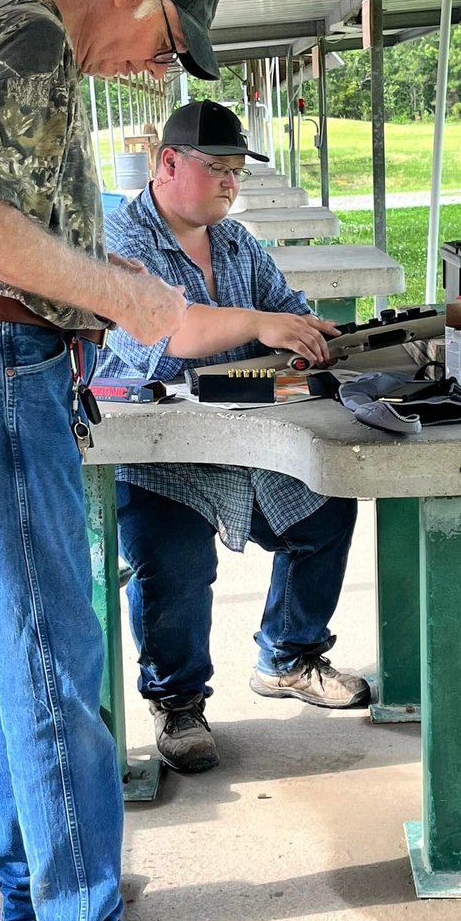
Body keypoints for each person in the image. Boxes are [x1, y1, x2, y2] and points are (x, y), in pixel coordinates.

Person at [0, 0, 220, 921]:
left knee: (21, 657)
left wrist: (104, 292)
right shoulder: (37, 42)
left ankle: (36, 905)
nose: (160, 67)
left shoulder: (6, 38)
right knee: (53, 664)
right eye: (168, 40)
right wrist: (119, 296)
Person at [96, 100, 369, 777]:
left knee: (328, 504)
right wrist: (261, 322)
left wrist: (322, 338)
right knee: (177, 570)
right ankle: (179, 700)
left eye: (237, 171)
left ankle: (289, 655)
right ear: (166, 164)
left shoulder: (238, 243)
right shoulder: (119, 239)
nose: (230, 182)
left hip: (248, 443)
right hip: (157, 451)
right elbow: (167, 334)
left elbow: (289, 313)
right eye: (216, 168)